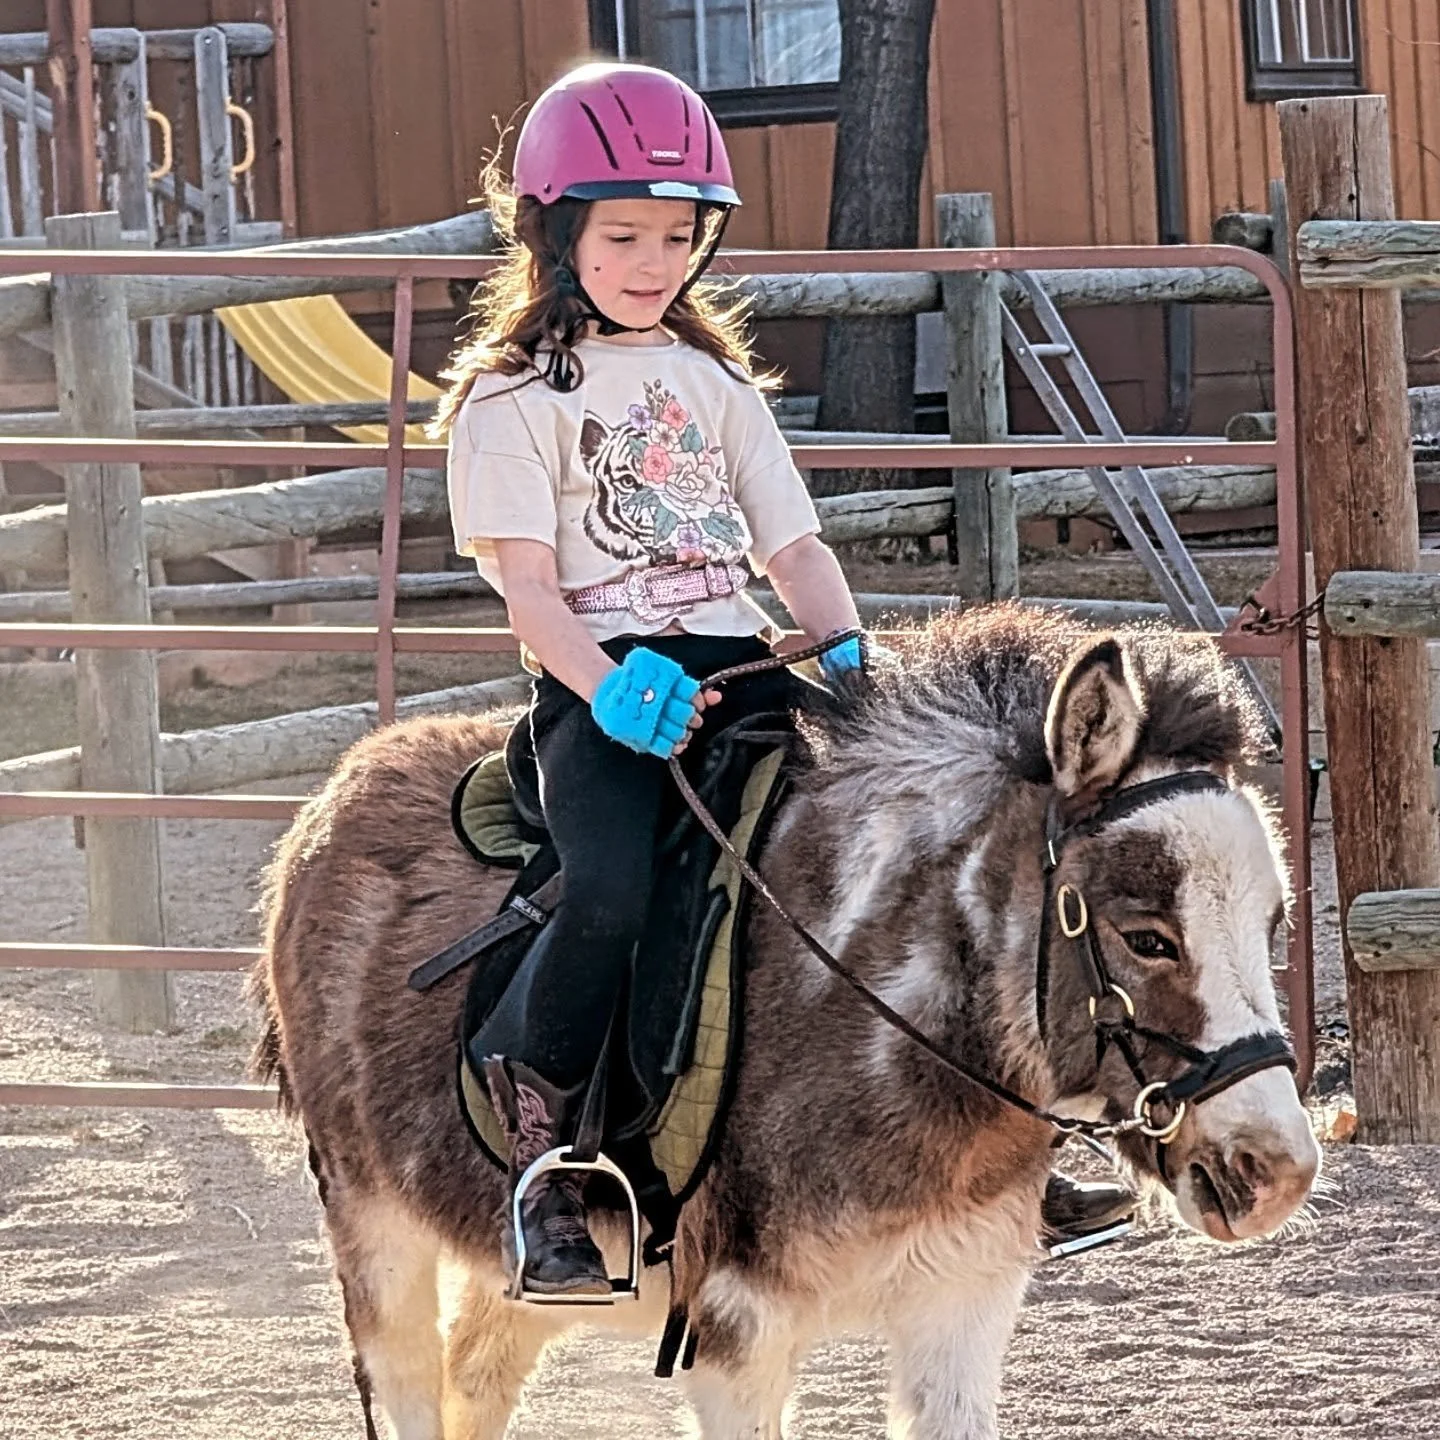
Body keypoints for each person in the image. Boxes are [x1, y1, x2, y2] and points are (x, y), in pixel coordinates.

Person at [435, 62, 1131, 1297]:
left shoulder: (714, 386)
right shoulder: (508, 400)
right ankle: (545, 1145)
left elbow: (793, 547)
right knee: (605, 888)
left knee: (924, 841)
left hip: (748, 660)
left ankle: (1001, 1142)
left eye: (677, 235)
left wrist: (855, 661)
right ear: (556, 236)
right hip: (607, 683)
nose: (654, 261)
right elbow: (528, 590)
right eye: (623, 236)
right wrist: (605, 688)